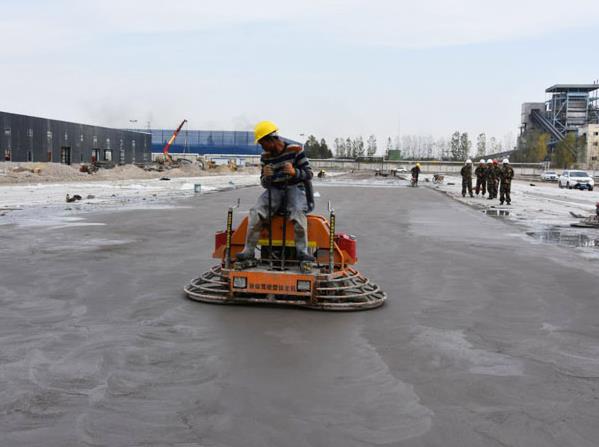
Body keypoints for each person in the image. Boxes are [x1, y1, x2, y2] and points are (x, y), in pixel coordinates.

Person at [236, 120, 314, 262]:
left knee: (297, 211)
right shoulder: (266, 157)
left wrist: (294, 172)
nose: (261, 147)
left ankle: (302, 252)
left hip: (294, 188)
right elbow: (264, 184)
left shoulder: (295, 150)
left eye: (262, 143)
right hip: (275, 189)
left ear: (271, 139)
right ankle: (249, 251)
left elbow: (309, 174)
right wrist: (266, 176)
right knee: (256, 211)